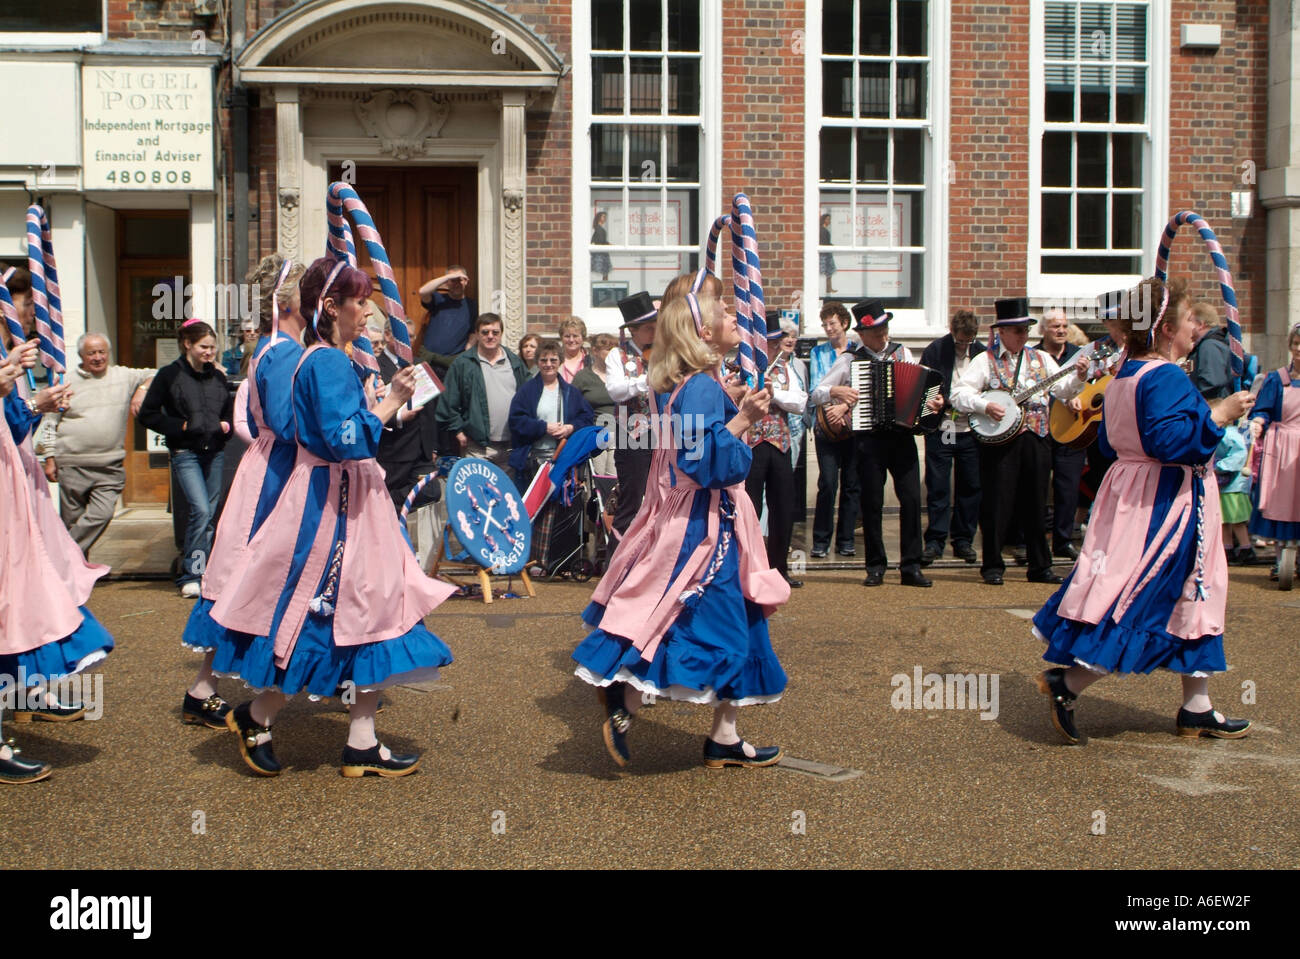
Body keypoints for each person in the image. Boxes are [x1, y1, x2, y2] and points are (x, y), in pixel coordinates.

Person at [208, 256, 457, 778]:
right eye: (358, 301)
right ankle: (259, 714)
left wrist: (377, 401)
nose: (366, 311)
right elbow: (347, 441)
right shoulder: (323, 361)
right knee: (331, 616)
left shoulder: (323, 358)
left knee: (366, 615)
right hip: (334, 504)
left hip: (343, 499)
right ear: (330, 306)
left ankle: (358, 739)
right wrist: (390, 401)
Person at [572, 281, 789, 769]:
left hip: (708, 521)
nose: (735, 316)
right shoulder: (700, 388)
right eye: (723, 311)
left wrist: (730, 410)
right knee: (696, 621)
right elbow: (704, 464)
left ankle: (724, 736)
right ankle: (625, 700)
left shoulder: (696, 385)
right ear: (705, 333)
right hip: (703, 527)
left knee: (733, 619)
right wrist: (742, 422)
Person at [1031, 276, 1256, 743]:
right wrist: (1223, 413)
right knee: (1149, 593)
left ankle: (1198, 705)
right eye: (1191, 318)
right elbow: (1174, 443)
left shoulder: (1125, 372)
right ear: (1166, 327)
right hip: (1168, 503)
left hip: (1136, 494)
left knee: (1194, 592)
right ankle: (1067, 682)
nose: (1197, 326)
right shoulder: (1165, 375)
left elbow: (1115, 443)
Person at [180, 254, 307, 730]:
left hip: (269, 468)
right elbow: (285, 423)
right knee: (254, 576)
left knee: (248, 575)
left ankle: (206, 687)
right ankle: (234, 692)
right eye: (305, 290)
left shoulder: (279, 347)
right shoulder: (280, 351)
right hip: (277, 474)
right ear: (286, 300)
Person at [0, 340, 115, 784]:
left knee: (25, 600)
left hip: (15, 481)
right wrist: (30, 401)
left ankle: (26, 695)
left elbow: (13, 425)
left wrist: (28, 400)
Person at [950, 297, 1086, 586]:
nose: (1023, 335)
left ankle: (1040, 566)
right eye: (1017, 330)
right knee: (997, 503)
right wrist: (985, 406)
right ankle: (992, 565)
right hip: (999, 441)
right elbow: (958, 394)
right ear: (1002, 332)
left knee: (1037, 504)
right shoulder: (984, 361)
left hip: (1036, 438)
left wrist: (1080, 379)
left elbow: (1062, 389)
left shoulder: (1041, 359)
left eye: (1025, 330)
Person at [810, 299, 944, 588]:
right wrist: (838, 392)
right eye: (878, 331)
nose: (884, 335)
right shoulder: (849, 360)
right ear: (863, 333)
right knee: (871, 503)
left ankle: (911, 566)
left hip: (901, 437)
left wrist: (931, 404)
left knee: (910, 500)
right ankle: (875, 565)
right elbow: (818, 392)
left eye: (885, 328)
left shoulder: (902, 352)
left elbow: (921, 390)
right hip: (868, 440)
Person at [137, 319, 235, 598]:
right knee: (201, 511)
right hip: (185, 453)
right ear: (188, 344)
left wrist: (225, 426)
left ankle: (201, 571)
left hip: (214, 451)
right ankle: (191, 574)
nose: (209, 352)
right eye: (204, 346)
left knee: (209, 515)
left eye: (213, 347)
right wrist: (178, 427)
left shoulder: (217, 376)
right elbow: (148, 414)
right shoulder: (169, 375)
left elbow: (226, 408)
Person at [41, 333, 153, 557]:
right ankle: (75, 575)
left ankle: (60, 556)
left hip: (109, 465)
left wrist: (141, 391)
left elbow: (157, 374)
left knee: (101, 514)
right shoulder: (66, 381)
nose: (98, 357)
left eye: (102, 352)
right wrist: (49, 457)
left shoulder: (124, 375)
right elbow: (49, 421)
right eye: (91, 353)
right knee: (72, 523)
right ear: (81, 355)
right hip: (71, 463)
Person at [920, 308, 985, 565]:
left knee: (970, 485)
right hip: (944, 428)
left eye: (969, 340)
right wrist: (933, 401)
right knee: (938, 485)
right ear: (952, 332)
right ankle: (935, 540)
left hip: (972, 429)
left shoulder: (981, 353)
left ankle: (963, 540)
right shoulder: (936, 351)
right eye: (960, 340)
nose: (964, 345)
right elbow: (922, 384)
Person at [745, 323, 808, 588]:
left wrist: (775, 393)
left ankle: (779, 568)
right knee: (750, 508)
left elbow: (800, 402)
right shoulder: (742, 366)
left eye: (774, 342)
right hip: (751, 444)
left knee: (783, 507)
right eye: (767, 343)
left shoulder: (786, 368)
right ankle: (748, 569)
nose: (772, 347)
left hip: (780, 443)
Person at [435, 312, 528, 469]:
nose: (490, 336)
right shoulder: (463, 364)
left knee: (506, 493)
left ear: (501, 334)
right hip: (477, 448)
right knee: (477, 493)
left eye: (495, 332)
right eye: (485, 332)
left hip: (511, 446)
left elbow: (529, 397)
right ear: (477, 334)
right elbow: (447, 402)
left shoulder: (515, 362)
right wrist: (458, 431)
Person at [1247, 323, 1300, 580]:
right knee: (1280, 500)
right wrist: (1258, 421)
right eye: (1296, 344)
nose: (1299, 349)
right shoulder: (1277, 379)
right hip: (1281, 448)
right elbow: (1262, 409)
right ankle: (1281, 561)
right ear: (1290, 346)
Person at [807, 301, 860, 558]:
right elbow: (817, 388)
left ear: (845, 324)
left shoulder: (859, 351)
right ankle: (821, 540)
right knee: (828, 482)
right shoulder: (818, 353)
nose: (828, 328)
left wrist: (845, 408)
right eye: (825, 324)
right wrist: (835, 404)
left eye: (832, 323)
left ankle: (846, 539)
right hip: (826, 425)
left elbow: (862, 388)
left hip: (853, 424)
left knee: (852, 483)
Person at [1037, 307, 1087, 561]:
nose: (1061, 330)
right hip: (1041, 429)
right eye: (1056, 326)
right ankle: (1032, 539)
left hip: (1071, 427)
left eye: (1065, 326)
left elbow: (1093, 385)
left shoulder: (1080, 356)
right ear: (1043, 330)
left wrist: (1079, 396)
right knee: (1035, 487)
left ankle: (1063, 540)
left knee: (1067, 487)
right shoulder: (1033, 356)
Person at [508, 338, 595, 485]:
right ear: (537, 362)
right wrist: (544, 427)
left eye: (553, 360)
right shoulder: (526, 391)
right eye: (544, 360)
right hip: (533, 461)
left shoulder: (571, 392)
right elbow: (516, 421)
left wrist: (570, 428)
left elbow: (587, 418)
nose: (548, 364)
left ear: (560, 361)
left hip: (564, 459)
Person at [606, 291, 657, 535]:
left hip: (663, 432)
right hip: (632, 435)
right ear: (634, 330)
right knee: (631, 499)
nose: (654, 333)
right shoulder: (617, 355)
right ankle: (617, 563)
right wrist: (645, 381)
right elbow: (616, 391)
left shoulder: (662, 353)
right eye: (649, 328)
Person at [376, 316, 439, 510]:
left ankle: (388, 504)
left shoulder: (420, 366)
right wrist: (399, 418)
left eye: (411, 337)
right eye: (404, 337)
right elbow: (372, 409)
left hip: (422, 451)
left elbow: (431, 411)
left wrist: (433, 447)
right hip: (394, 450)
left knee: (432, 490)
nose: (408, 342)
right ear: (388, 336)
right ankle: (386, 508)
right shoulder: (375, 367)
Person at [415, 265, 477, 379]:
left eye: (460, 280)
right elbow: (422, 291)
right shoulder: (438, 299)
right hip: (428, 361)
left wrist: (467, 353)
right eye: (453, 280)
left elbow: (473, 333)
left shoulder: (472, 306)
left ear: (466, 281)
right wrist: (448, 277)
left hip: (453, 364)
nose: (457, 283)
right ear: (446, 282)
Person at [571, 332, 618, 476]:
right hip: (595, 435)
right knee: (598, 478)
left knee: (615, 479)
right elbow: (573, 407)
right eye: (607, 349)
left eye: (614, 349)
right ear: (595, 351)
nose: (612, 353)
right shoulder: (583, 377)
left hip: (620, 435)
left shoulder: (620, 376)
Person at [1213, 418, 1259, 565]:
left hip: (1234, 485)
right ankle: (1228, 549)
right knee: (1224, 520)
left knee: (1237, 520)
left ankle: (1246, 548)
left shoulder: (1229, 434)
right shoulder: (1222, 433)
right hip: (1224, 484)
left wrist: (1220, 466)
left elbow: (1239, 455)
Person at [1187, 297, 1234, 400]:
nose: (1188, 326)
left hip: (1211, 408)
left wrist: (1189, 400)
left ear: (1200, 324)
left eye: (1190, 321)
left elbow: (1211, 383)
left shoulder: (1209, 346)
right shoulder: (1210, 344)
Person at [558, 316, 588, 384]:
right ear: (561, 338)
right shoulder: (555, 360)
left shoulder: (591, 362)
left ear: (583, 338)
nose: (571, 340)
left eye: (575, 336)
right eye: (567, 336)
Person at [591, 211, 612, 282]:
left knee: (605, 273)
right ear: (599, 218)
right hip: (601, 253)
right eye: (603, 216)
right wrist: (608, 244)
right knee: (603, 272)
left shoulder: (599, 228)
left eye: (605, 217)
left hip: (602, 252)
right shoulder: (598, 229)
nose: (605, 218)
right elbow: (600, 241)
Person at [819, 212, 836, 295]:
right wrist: (830, 245)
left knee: (829, 272)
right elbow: (824, 242)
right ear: (824, 220)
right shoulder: (822, 231)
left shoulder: (823, 230)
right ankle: (828, 288)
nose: (829, 221)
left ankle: (828, 288)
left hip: (826, 252)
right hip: (824, 253)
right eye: (828, 219)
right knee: (827, 271)